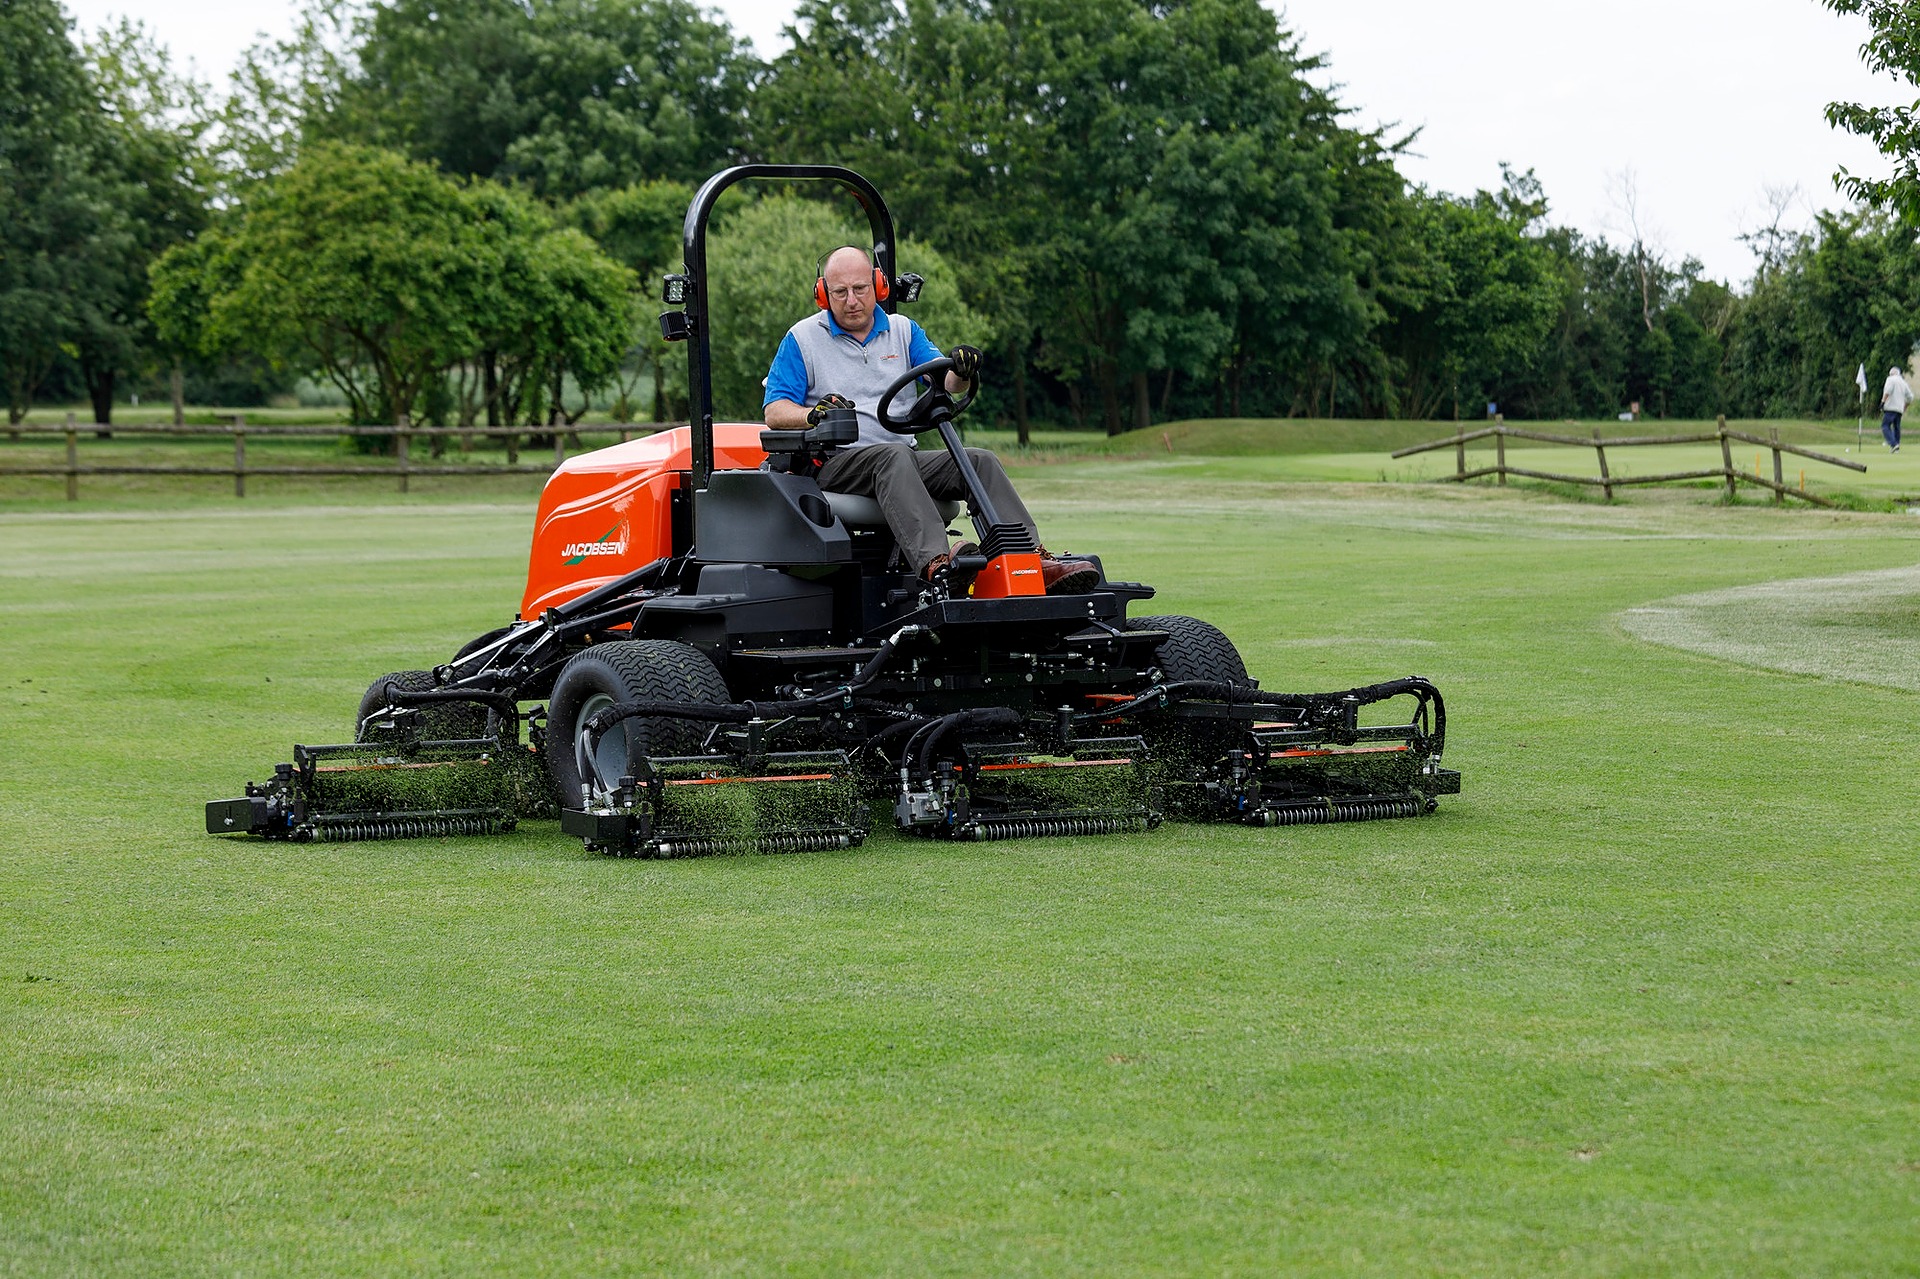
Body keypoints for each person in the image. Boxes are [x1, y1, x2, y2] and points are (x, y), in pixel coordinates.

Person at [763, 245, 1097, 593]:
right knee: (893, 456)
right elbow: (775, 411)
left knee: (979, 461)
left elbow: (946, 381)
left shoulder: (903, 331)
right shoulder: (802, 339)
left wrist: (962, 370)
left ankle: (1028, 561)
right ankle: (937, 564)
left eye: (860, 289)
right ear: (823, 293)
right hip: (837, 463)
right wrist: (813, 415)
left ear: (877, 286)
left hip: (899, 458)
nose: (851, 300)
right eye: (840, 292)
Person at [1882, 364, 1913, 453]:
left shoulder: (1890, 379)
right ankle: (1896, 446)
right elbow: (1910, 397)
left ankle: (1893, 444)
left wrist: (1882, 402)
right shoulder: (1903, 382)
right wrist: (1904, 407)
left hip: (1890, 407)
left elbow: (1888, 391)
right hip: (1899, 409)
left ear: (1891, 373)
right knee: (1896, 427)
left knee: (1885, 426)